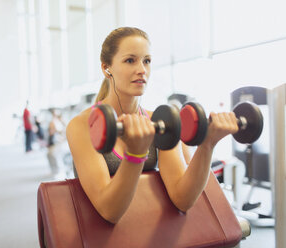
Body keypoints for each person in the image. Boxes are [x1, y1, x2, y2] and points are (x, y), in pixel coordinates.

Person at [66, 27, 238, 224]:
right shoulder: (82, 126)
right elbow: (109, 211)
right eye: (130, 60)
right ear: (107, 68)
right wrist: (136, 154)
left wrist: (207, 145)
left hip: (149, 228)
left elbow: (183, 199)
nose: (142, 69)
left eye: (146, 61)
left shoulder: (162, 121)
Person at [47, 109, 66, 178]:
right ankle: (54, 170)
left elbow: (63, 133)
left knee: (54, 154)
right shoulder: (53, 122)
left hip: (61, 143)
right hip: (56, 141)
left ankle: (59, 171)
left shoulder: (61, 122)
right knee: (49, 154)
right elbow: (51, 132)